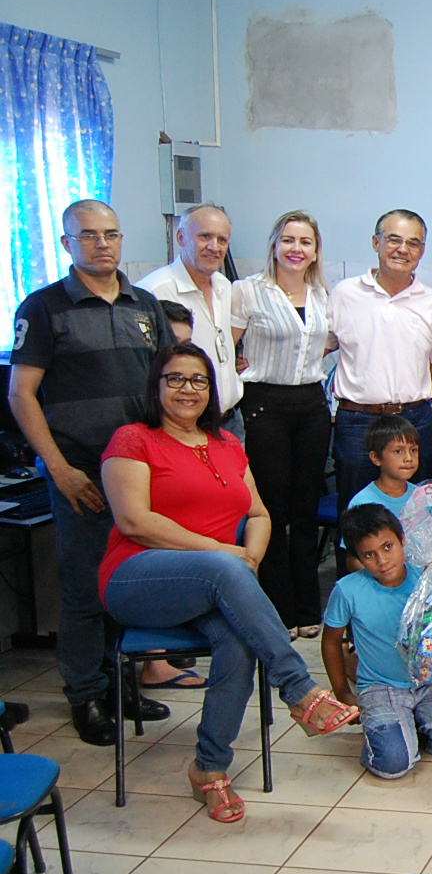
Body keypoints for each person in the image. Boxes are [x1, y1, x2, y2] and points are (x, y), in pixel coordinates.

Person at [99, 343, 359, 822]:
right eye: (175, 378)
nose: (187, 389)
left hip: (216, 582)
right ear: (156, 387)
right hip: (137, 579)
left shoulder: (226, 444)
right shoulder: (134, 440)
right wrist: (229, 558)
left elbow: (258, 512)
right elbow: (134, 521)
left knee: (239, 644)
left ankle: (210, 769)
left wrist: (250, 558)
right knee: (225, 571)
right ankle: (300, 691)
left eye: (198, 380)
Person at [8, 199, 176, 743]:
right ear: (66, 243)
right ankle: (85, 695)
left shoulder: (145, 306)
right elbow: (22, 394)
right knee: (85, 589)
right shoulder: (45, 308)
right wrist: (57, 468)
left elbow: (166, 388)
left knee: (130, 586)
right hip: (81, 473)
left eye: (111, 234)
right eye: (88, 235)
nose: (102, 244)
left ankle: (120, 687)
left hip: (140, 478)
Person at [322, 504, 432, 779]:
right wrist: (342, 693)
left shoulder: (428, 579)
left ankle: (412, 723)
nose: (382, 561)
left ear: (402, 541)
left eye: (388, 547)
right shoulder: (347, 590)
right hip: (381, 685)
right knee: (393, 763)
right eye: (369, 555)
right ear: (357, 558)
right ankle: (394, 729)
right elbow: (330, 642)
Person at [230, 210, 332, 637]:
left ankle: (308, 608)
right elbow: (225, 349)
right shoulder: (247, 292)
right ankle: (278, 609)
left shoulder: (322, 294)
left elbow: (330, 342)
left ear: (314, 252)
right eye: (288, 240)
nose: (296, 249)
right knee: (270, 509)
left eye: (305, 242)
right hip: (263, 405)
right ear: (274, 245)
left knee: (306, 510)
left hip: (311, 404)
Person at [327, 209, 432, 518]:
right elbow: (318, 347)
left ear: (422, 251)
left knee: (416, 518)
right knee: (356, 517)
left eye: (413, 243)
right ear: (376, 242)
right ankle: (354, 569)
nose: (403, 249)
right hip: (358, 422)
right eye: (394, 239)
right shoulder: (344, 294)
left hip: (415, 421)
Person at [140, 204, 244, 440]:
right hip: (182, 427)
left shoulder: (224, 286)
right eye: (204, 236)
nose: (214, 247)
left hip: (230, 421)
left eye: (222, 239)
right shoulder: (153, 292)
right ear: (180, 237)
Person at [349, 416, 420, 520]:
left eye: (413, 450)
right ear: (376, 458)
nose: (408, 458)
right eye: (398, 451)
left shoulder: (424, 497)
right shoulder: (362, 503)